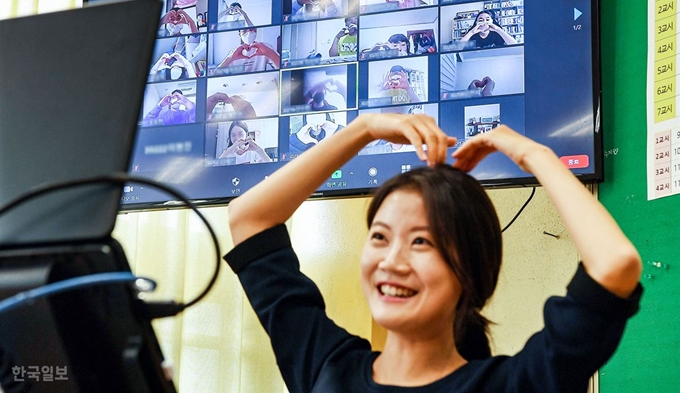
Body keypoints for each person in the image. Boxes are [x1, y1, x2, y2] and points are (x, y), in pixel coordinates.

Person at [225, 113, 643, 392]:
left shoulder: (514, 384)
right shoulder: (327, 368)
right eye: (380, 237)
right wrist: (363, 128)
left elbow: (614, 265)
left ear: (470, 270)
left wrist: (538, 156)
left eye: (421, 241)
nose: (391, 261)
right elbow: (250, 219)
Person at [215, 27, 280, 73]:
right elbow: (216, 75)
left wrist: (269, 53)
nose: (249, 32)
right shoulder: (234, 52)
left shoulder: (266, 47)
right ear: (239, 34)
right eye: (244, 30)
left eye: (252, 29)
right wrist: (231, 58)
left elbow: (281, 68)